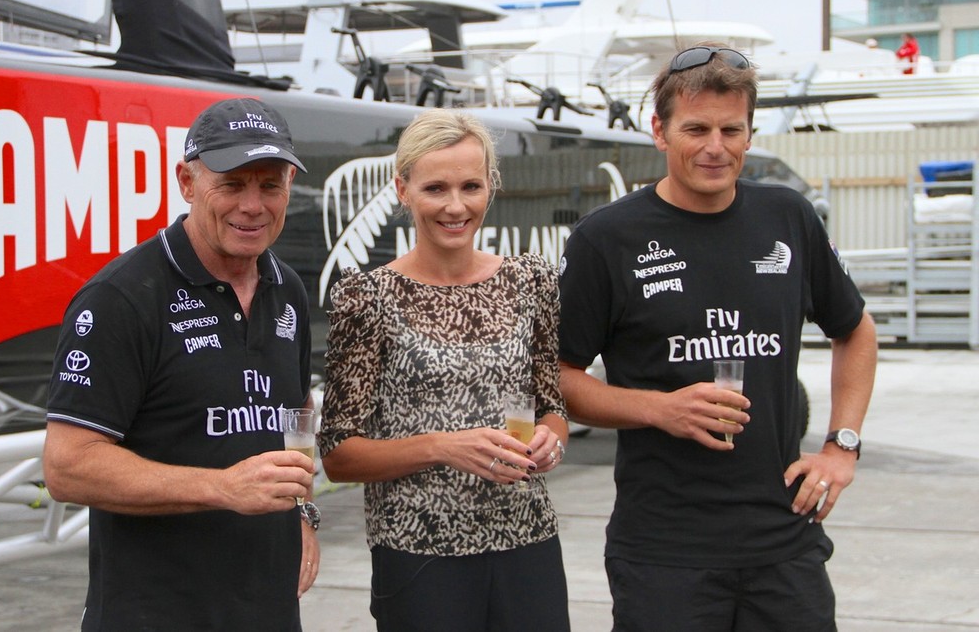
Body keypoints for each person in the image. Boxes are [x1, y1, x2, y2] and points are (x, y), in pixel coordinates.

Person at [557, 45, 878, 632]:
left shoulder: (788, 217)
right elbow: (558, 379)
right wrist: (661, 409)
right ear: (659, 130)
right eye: (696, 128)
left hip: (784, 541)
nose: (716, 147)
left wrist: (841, 446)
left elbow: (855, 331)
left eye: (732, 129)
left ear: (750, 134)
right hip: (664, 552)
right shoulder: (606, 239)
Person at [43, 97, 320, 631]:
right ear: (187, 183)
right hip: (153, 611)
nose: (253, 205)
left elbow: (295, 412)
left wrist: (301, 512)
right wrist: (221, 487)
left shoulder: (287, 289)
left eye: (270, 185)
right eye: (233, 184)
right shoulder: (121, 299)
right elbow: (67, 465)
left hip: (268, 609)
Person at [320, 108, 571, 632]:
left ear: (490, 187)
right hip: (418, 553)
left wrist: (551, 440)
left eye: (471, 186)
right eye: (436, 188)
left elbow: (552, 407)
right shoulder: (367, 298)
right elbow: (339, 455)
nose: (457, 206)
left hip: (527, 541)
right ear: (402, 189)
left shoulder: (532, 283)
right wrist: (443, 446)